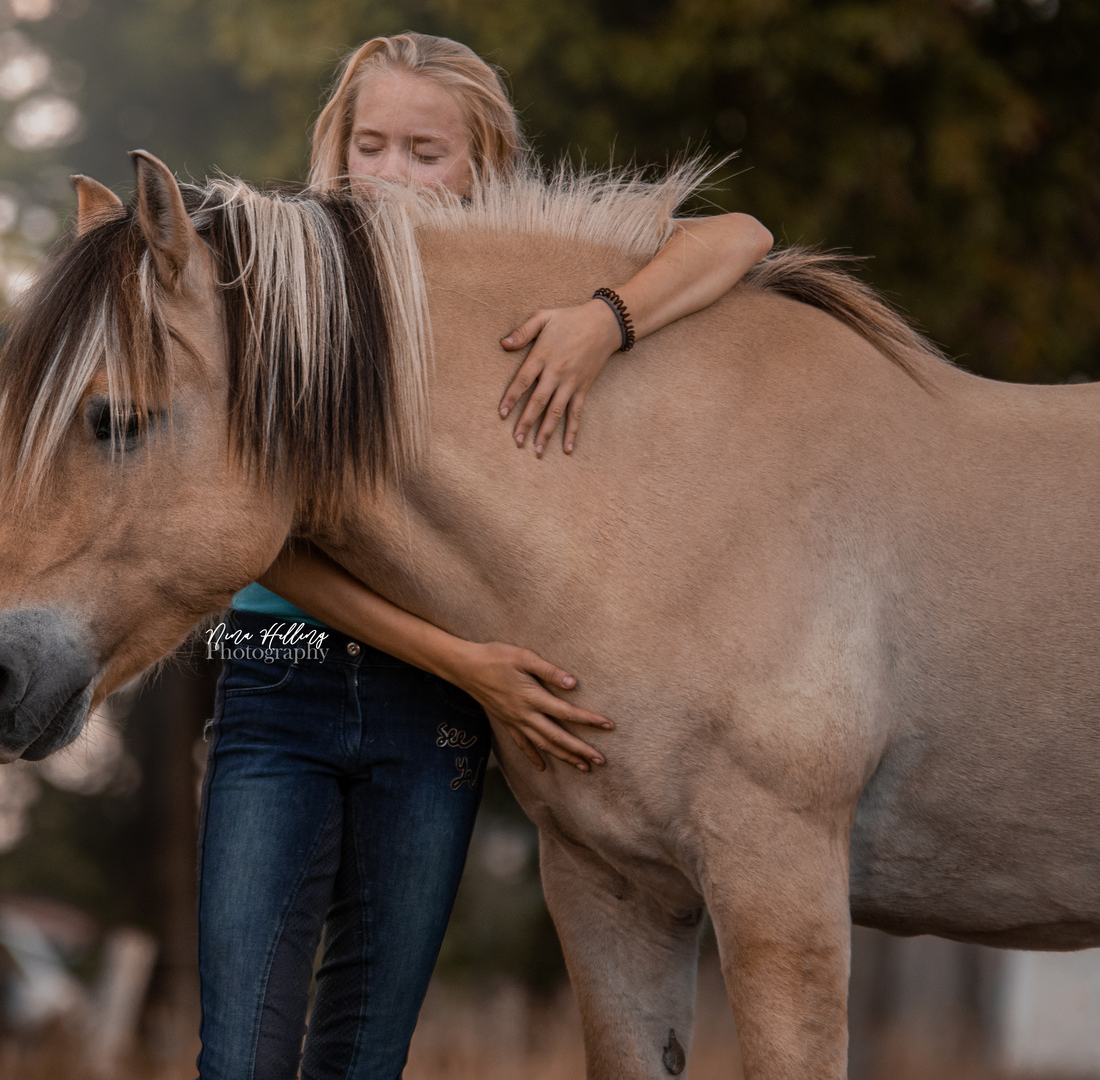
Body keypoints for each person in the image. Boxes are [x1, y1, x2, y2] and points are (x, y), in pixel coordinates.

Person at [196, 32, 773, 1080]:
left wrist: (608, 320)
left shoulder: (520, 269)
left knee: (362, 1061)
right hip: (286, 680)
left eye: (425, 151)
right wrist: (466, 661)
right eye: (369, 144)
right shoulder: (284, 276)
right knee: (239, 1062)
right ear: (336, 148)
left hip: (437, 720)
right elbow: (261, 543)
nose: (390, 175)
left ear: (482, 168)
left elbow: (741, 235)